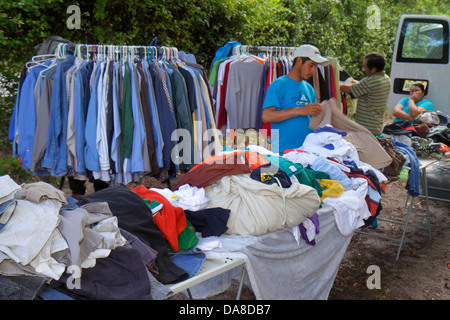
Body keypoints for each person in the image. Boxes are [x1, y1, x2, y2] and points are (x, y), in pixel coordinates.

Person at [262, 44, 328, 154]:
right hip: (283, 153)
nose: (312, 71)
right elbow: (266, 116)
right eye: (311, 65)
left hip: (306, 153)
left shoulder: (309, 88)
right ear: (299, 60)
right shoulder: (278, 85)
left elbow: (312, 119)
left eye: (315, 67)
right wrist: (299, 110)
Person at [340, 52, 391, 136]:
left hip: (366, 128)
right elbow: (368, 88)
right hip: (376, 125)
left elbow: (348, 89)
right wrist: (357, 83)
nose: (364, 68)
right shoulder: (386, 79)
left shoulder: (370, 81)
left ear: (373, 69)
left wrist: (336, 84)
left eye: (365, 66)